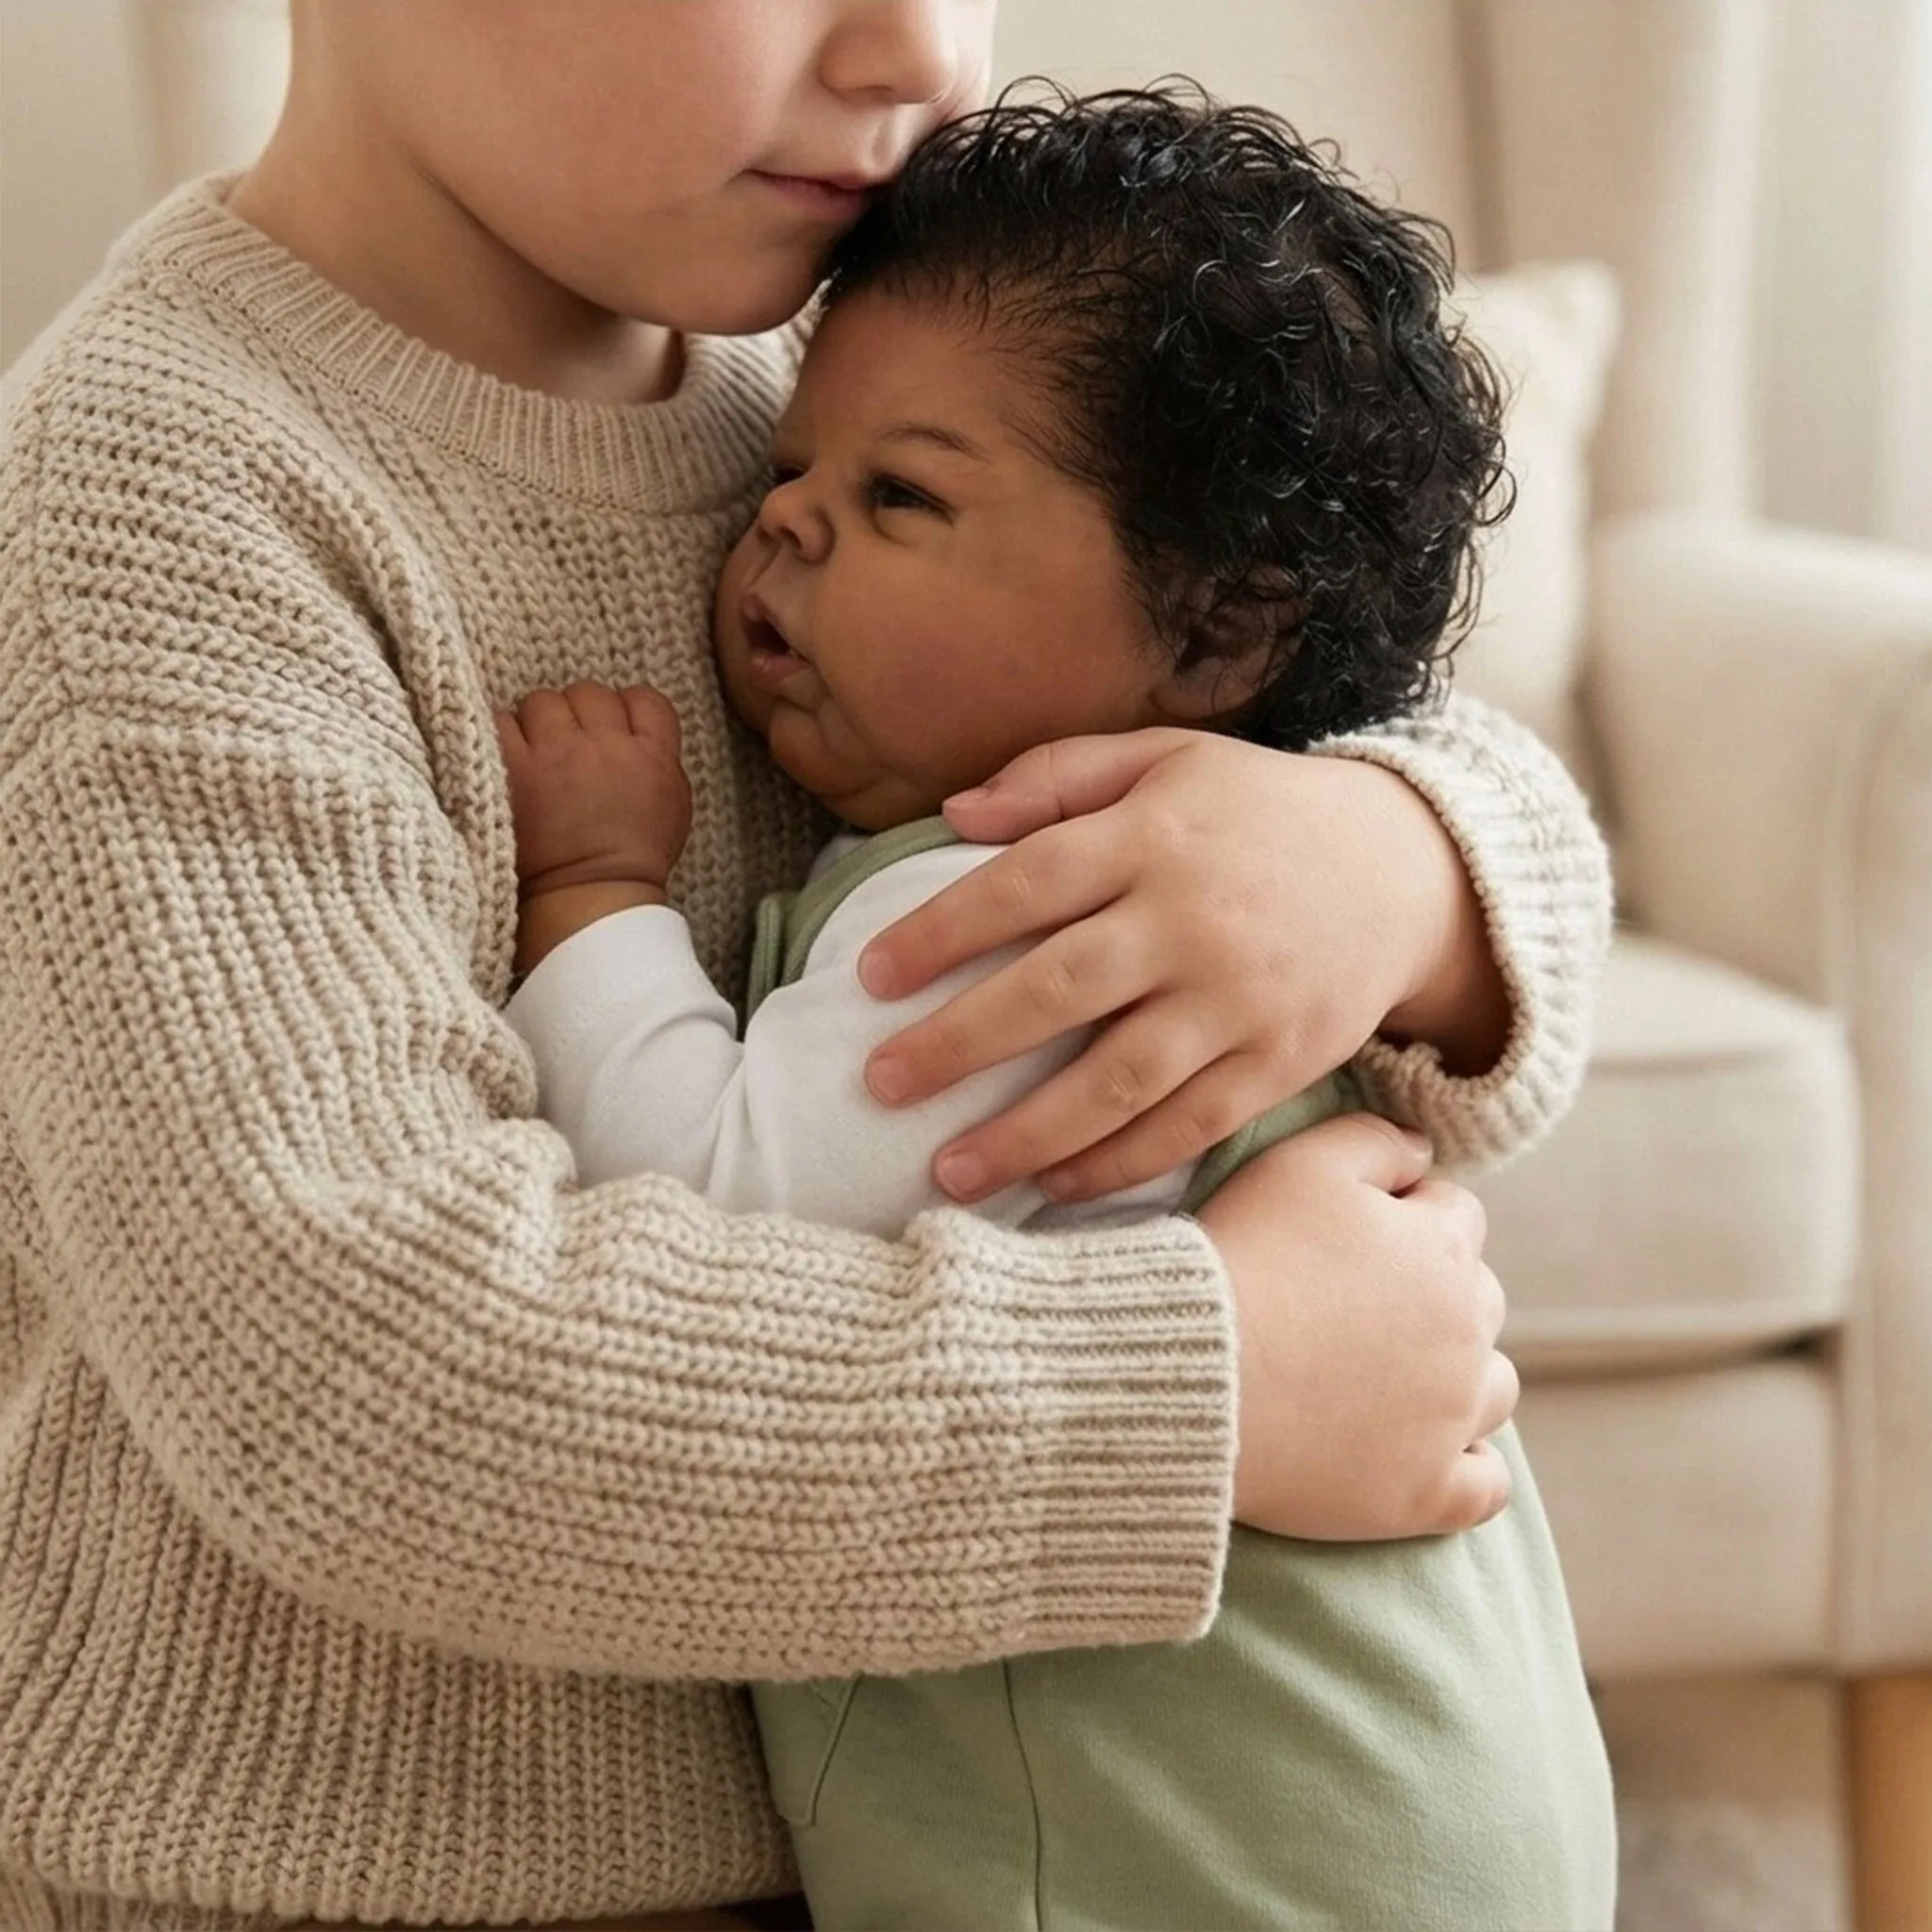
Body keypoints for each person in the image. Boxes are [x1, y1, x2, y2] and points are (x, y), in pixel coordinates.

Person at [0, 7, 1608, 1929]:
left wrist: (1400, 864)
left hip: (912, 1851)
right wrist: (1209, 1392)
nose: (915, 50)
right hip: (330, 1882)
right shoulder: (157, 512)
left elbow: (1401, 708)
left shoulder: (838, 361)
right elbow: (364, 1380)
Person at [497, 87, 1615, 1932]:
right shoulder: (1239, 860)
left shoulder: (1012, 905)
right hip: (1421, 1801)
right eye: (789, 480)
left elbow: (694, 1190)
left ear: (1210, 636)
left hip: (1189, 1858)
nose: (782, 536)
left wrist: (593, 895)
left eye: (898, 497)